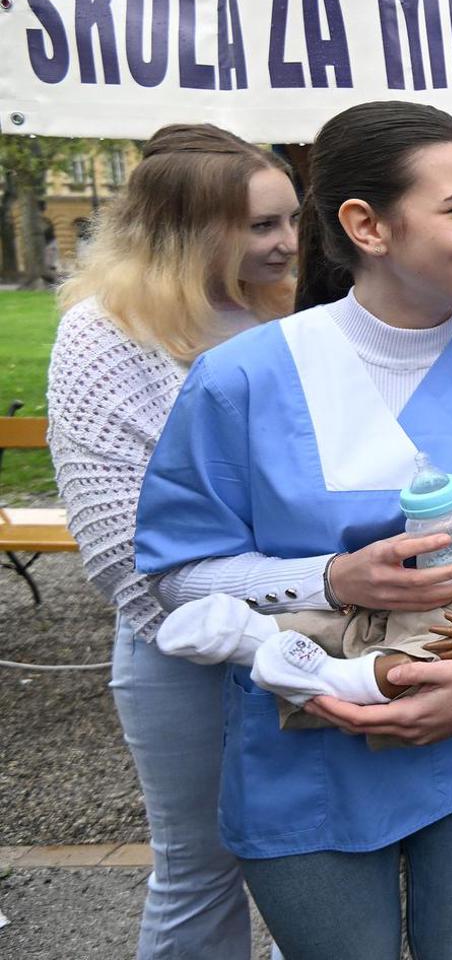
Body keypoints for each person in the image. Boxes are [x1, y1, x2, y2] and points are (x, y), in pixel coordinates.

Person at [133, 100, 452, 960]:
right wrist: (333, 582)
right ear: (366, 225)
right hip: (307, 741)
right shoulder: (242, 381)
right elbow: (177, 577)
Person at [47, 123, 297, 960]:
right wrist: (291, 615)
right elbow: (123, 549)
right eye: (263, 226)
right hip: (180, 652)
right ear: (192, 229)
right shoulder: (103, 333)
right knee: (199, 869)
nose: (288, 244)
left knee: (312, 859)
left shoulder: (287, 316)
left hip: (314, 631)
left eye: (291, 221)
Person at [154, 429, 452, 715]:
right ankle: (246, 631)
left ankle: (329, 677)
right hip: (407, 611)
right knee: (341, 623)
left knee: (407, 671)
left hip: (451, 641)